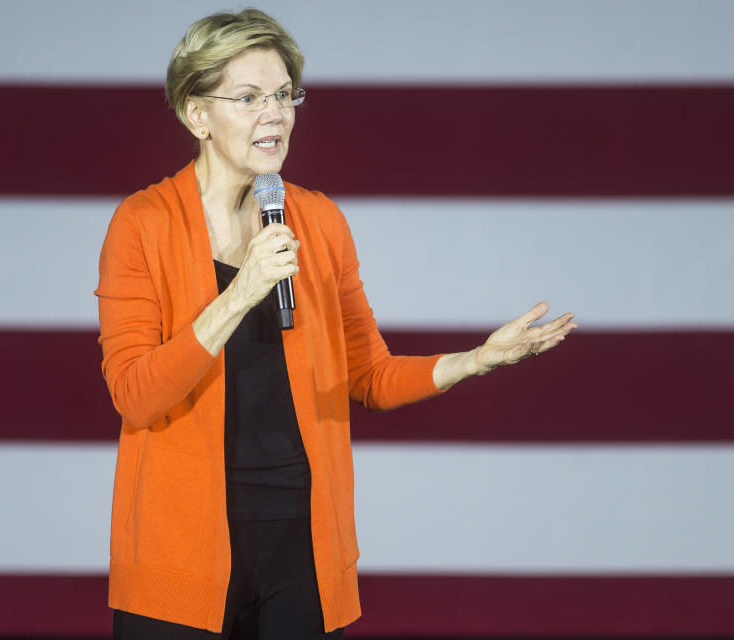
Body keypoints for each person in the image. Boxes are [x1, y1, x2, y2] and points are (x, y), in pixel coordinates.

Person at [94, 9, 577, 640]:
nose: (275, 114)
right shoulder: (143, 223)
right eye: (248, 98)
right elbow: (135, 394)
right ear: (197, 114)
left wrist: (473, 361)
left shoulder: (318, 222)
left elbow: (369, 375)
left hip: (303, 543)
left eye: (284, 94)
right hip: (179, 549)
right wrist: (240, 292)